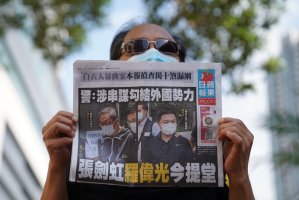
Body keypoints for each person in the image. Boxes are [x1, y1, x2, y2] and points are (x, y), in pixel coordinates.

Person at [41, 23, 254, 200]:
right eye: (136, 47)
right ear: (113, 65)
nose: (153, 53)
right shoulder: (80, 152)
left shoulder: (212, 157)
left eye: (167, 47)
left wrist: (239, 174)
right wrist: (57, 166)